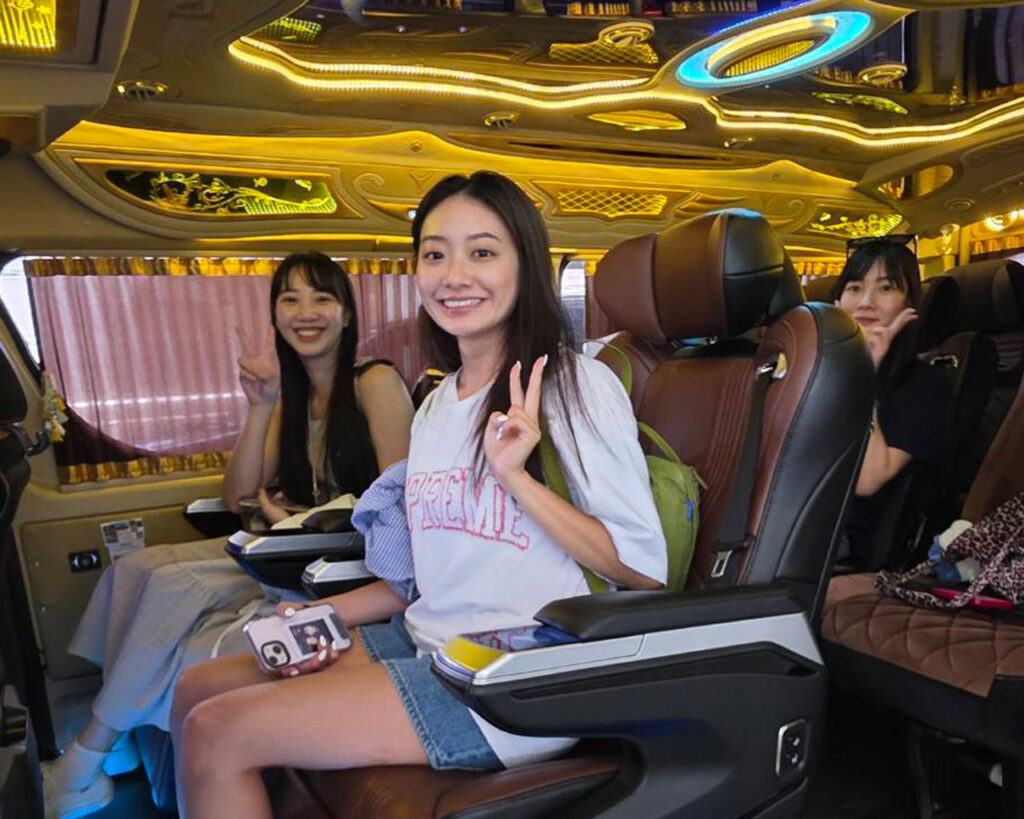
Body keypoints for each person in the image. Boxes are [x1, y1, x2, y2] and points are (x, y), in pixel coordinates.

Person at [170, 171, 667, 819]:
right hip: (426, 643)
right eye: (435, 254)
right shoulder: (435, 404)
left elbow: (640, 569)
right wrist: (322, 615)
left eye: (482, 252)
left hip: (510, 680)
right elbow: (420, 581)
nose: (454, 275)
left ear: (526, 265)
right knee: (196, 688)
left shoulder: (572, 384)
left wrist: (516, 476)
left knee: (219, 732)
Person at [42, 252, 414, 819]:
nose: (306, 312)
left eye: (322, 298)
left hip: (337, 556)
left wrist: (306, 519)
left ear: (346, 314)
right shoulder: (293, 394)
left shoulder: (374, 381)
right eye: (289, 299)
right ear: (275, 315)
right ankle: (111, 741)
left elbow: (401, 499)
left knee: (175, 591)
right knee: (136, 569)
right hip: (289, 543)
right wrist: (260, 406)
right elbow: (239, 494)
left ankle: (90, 753)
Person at [833, 239, 955, 568]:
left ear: (909, 304)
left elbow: (868, 480)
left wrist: (865, 378)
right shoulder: (821, 370)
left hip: (841, 538)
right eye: (855, 288)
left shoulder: (925, 383)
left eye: (886, 288)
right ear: (837, 303)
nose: (866, 302)